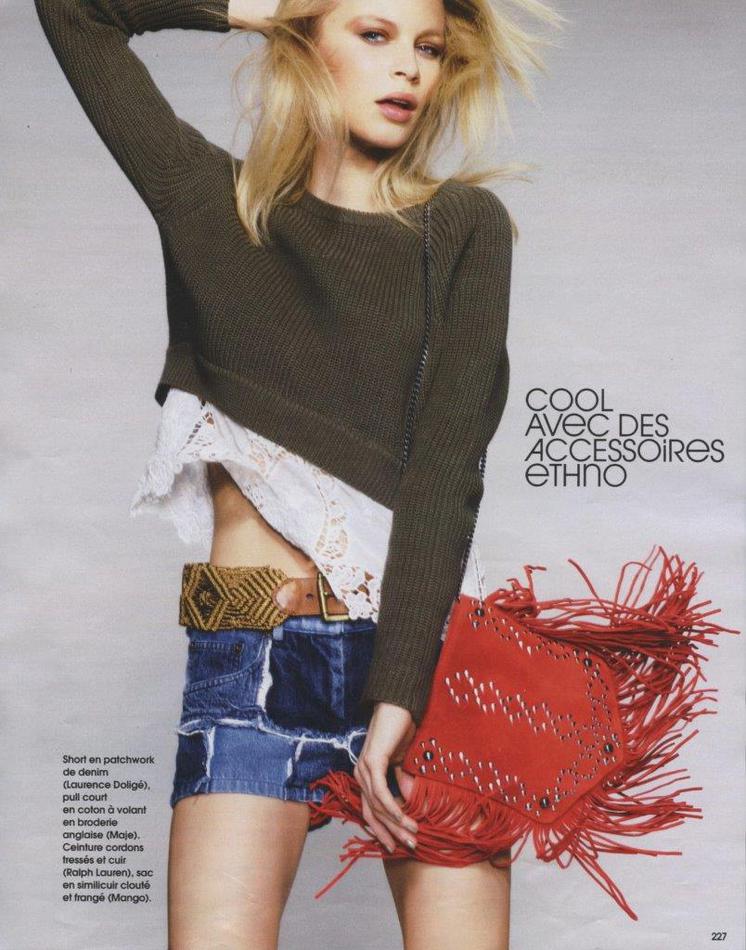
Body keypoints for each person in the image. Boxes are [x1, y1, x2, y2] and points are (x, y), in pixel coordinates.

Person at [34, 0, 560, 945]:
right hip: (254, 660)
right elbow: (75, 11)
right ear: (310, 43)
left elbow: (448, 473)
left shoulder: (462, 228)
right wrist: (272, 9)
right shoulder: (211, 205)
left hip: (432, 661)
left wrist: (400, 691)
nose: (408, 68)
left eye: (428, 48)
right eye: (374, 34)